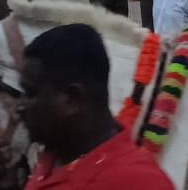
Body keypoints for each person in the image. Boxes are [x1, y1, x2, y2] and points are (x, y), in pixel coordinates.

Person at [17, 23, 172, 189]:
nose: (20, 106)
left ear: (72, 99)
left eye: (30, 93)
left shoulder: (140, 183)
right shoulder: (55, 155)